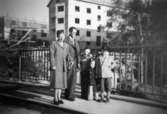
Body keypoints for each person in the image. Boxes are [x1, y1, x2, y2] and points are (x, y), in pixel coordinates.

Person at [50, 30, 69, 105]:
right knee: (57, 83)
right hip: (57, 65)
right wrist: (53, 65)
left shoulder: (66, 45)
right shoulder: (54, 44)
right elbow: (51, 55)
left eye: (63, 36)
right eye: (60, 36)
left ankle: (59, 98)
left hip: (63, 66)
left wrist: (70, 61)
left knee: (61, 83)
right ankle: (55, 99)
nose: (62, 37)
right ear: (57, 36)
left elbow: (67, 55)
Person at [64, 27, 80, 101]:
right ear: (70, 32)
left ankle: (70, 94)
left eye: (75, 32)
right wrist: (69, 59)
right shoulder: (66, 40)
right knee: (68, 78)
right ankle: (68, 95)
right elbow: (64, 50)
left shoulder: (75, 40)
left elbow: (78, 53)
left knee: (73, 79)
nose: (74, 33)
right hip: (69, 62)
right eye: (73, 32)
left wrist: (78, 62)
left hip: (75, 62)